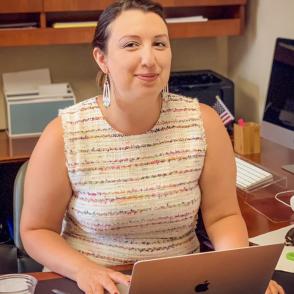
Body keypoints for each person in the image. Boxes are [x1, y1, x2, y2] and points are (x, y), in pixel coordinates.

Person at [20, 1, 284, 293]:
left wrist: (240, 271)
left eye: (159, 43)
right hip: (93, 282)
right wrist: (84, 270)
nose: (150, 59)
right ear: (102, 58)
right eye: (131, 45)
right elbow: (36, 230)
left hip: (181, 282)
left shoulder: (204, 123)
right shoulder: (64, 133)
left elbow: (223, 216)